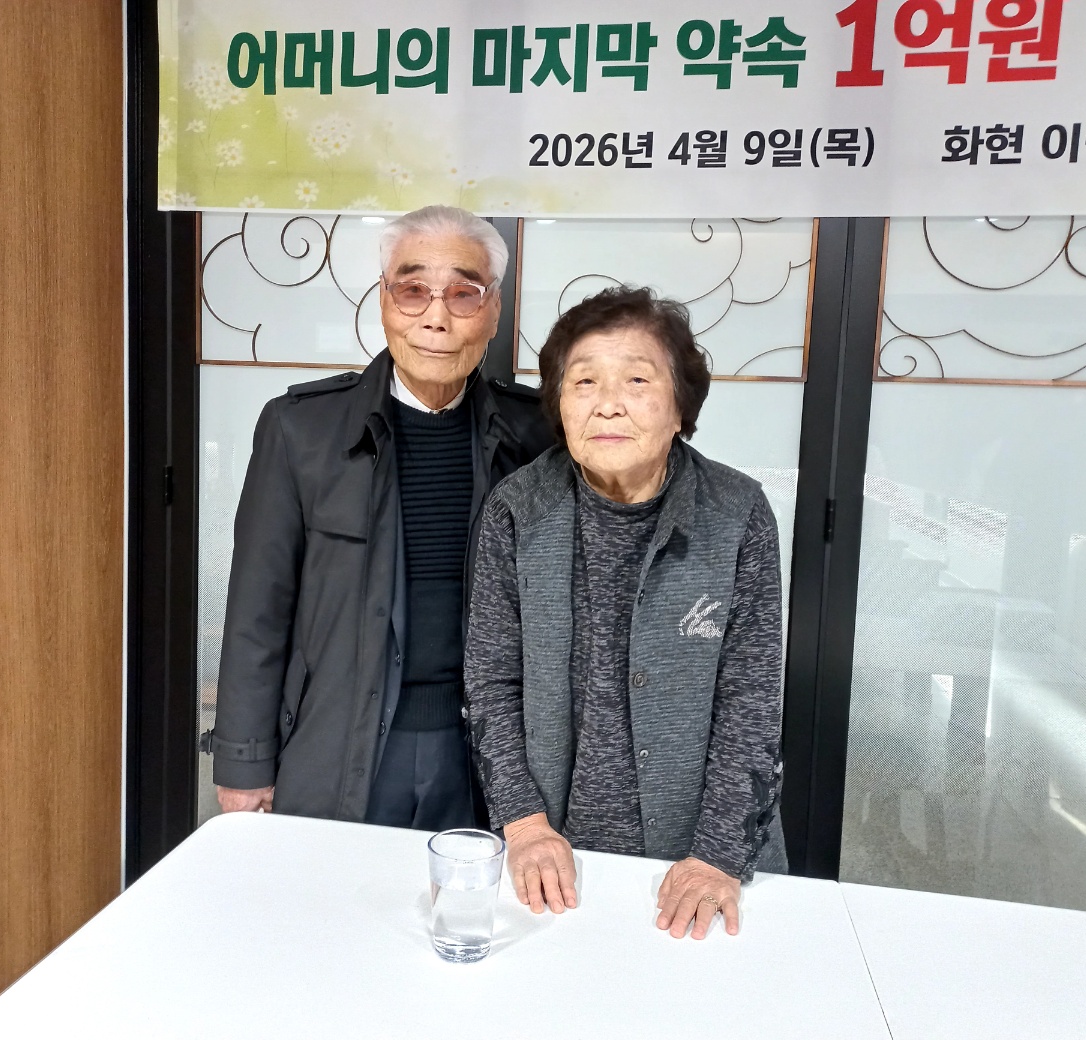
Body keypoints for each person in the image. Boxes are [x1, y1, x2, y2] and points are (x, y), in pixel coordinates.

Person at [204, 205, 551, 830]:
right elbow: (258, 606)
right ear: (384, 300)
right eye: (413, 290)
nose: (436, 318)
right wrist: (244, 761)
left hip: (488, 756)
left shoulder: (535, 435)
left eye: (464, 294)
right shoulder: (302, 429)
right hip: (337, 744)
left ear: (494, 310)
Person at [465, 285, 787, 940]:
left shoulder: (736, 513)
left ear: (680, 406)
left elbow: (751, 699)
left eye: (637, 380)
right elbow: (490, 683)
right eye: (584, 381)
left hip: (698, 866)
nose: (607, 403)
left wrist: (716, 855)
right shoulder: (516, 510)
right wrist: (524, 826)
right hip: (554, 862)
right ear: (559, 404)